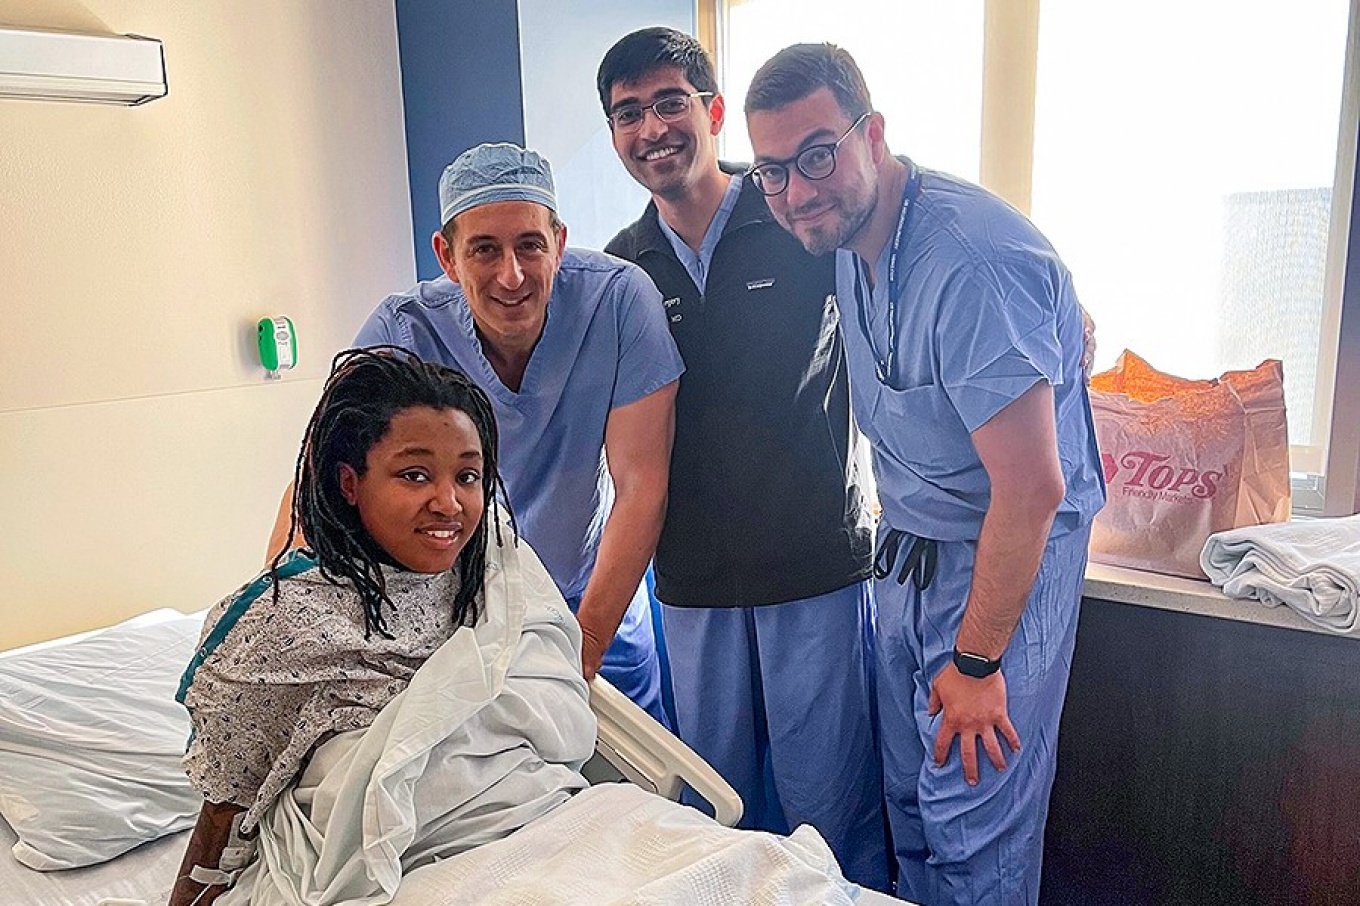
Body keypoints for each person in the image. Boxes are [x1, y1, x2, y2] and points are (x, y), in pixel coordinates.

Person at [744, 44, 1107, 906]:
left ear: (873, 134)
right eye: (773, 171)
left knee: (971, 824)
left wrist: (979, 663)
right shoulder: (842, 231)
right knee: (909, 810)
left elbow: (1032, 490)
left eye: (819, 156)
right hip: (907, 557)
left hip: (999, 564)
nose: (797, 190)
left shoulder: (971, 261)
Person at [595, 27, 887, 891]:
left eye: (670, 103)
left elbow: (903, 259)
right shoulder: (623, 271)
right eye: (628, 114)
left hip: (812, 568)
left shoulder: (796, 213)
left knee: (827, 811)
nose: (652, 128)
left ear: (713, 112)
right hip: (691, 585)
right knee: (715, 807)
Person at [273, 142, 684, 725]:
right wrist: (276, 623)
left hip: (589, 600)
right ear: (446, 255)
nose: (511, 275)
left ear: (559, 243)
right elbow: (316, 487)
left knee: (641, 777)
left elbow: (641, 486)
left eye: (530, 246)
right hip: (453, 610)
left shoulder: (617, 301)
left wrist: (579, 655)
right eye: (484, 249)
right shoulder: (405, 329)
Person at [171, 348, 597, 906]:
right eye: (414, 474)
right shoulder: (281, 628)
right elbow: (225, 808)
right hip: (396, 869)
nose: (449, 504)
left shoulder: (492, 568)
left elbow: (554, 709)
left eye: (467, 475)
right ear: (350, 482)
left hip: (554, 827)